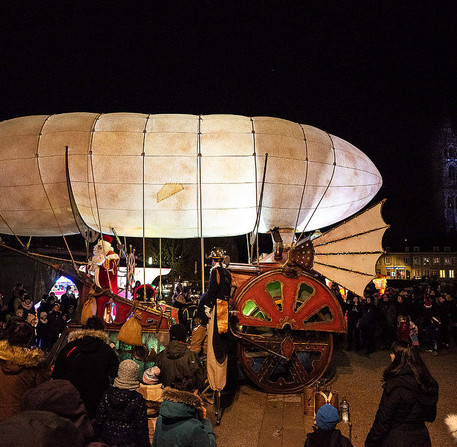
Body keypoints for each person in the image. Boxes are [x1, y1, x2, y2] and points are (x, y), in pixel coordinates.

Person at [365, 341, 439, 447]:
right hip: (421, 439)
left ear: (399, 358)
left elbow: (383, 420)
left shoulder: (396, 387)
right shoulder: (428, 383)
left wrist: (371, 442)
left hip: (397, 439)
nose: (390, 355)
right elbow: (431, 416)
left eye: (393, 353)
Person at [52, 315, 119, 418]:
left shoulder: (71, 347)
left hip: (71, 398)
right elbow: (114, 374)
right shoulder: (107, 350)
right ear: (102, 331)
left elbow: (57, 373)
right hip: (97, 400)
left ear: (84, 329)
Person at [0, 321, 49, 421]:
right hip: (24, 419)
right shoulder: (35, 364)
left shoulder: (2, 360)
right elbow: (42, 393)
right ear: (29, 340)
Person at [95, 359, 150, 447]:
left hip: (107, 439)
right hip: (129, 441)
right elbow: (141, 428)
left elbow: (99, 420)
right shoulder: (137, 399)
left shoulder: (107, 394)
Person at [152, 374, 216, 447]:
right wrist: (205, 421)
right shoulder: (194, 427)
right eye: (196, 394)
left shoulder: (160, 419)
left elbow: (155, 444)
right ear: (191, 397)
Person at [156, 323, 206, 388]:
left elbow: (156, 376)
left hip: (166, 395)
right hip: (186, 395)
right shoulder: (191, 355)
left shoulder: (161, 355)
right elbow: (200, 378)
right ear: (184, 337)